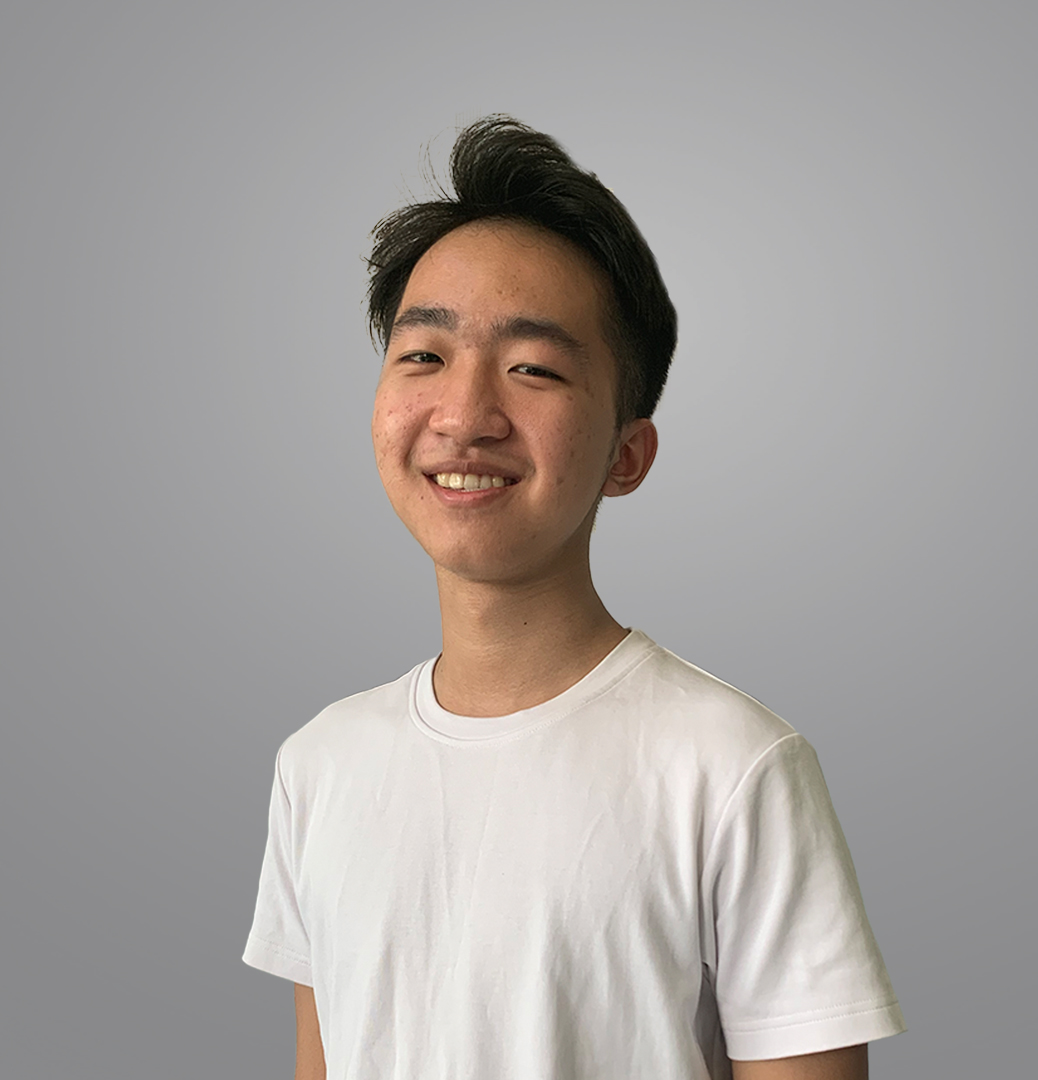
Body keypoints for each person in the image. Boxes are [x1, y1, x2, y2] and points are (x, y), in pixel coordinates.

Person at [242, 116, 906, 1080]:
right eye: (424, 356)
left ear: (626, 456)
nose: (465, 415)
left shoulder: (733, 769)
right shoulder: (320, 765)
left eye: (534, 369)